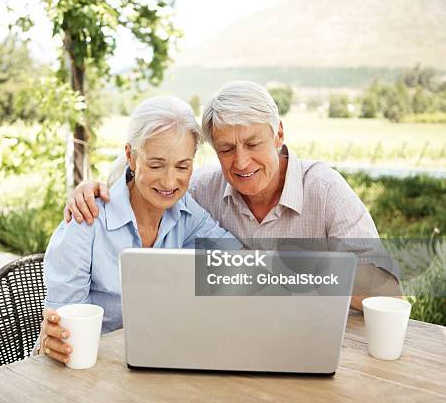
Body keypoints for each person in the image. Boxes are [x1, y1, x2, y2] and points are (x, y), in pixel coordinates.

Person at [65, 81, 402, 312]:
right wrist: (97, 186)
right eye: (226, 149)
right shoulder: (201, 189)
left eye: (253, 144)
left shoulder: (325, 189)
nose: (241, 162)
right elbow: (156, 176)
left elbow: (389, 294)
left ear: (279, 134)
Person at [36, 96, 239, 364]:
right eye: (156, 165)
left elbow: (240, 265)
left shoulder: (188, 213)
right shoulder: (86, 219)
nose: (169, 181)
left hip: (158, 362)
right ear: (131, 156)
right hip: (90, 368)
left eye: (182, 166)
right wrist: (57, 336)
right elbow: (64, 329)